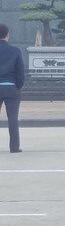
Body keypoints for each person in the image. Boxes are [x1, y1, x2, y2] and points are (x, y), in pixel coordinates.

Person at [0, 23, 25, 153]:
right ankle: (14, 147)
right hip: (10, 87)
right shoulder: (15, 51)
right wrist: (17, 87)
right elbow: (20, 73)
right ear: (7, 35)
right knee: (13, 118)